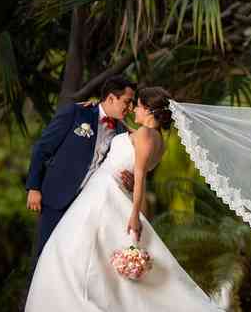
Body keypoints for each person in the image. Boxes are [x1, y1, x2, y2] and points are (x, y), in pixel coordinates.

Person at [25, 87, 223, 311]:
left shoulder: (146, 136)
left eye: (137, 105)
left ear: (148, 110)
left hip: (105, 195)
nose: (133, 109)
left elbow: (139, 178)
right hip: (105, 192)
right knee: (79, 257)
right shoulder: (154, 138)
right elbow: (131, 142)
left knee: (70, 255)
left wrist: (135, 215)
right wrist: (96, 106)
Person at [25, 75, 136, 264]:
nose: (131, 108)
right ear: (111, 98)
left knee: (73, 262)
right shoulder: (77, 113)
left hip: (87, 206)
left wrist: (131, 182)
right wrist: (34, 187)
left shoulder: (122, 133)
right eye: (127, 101)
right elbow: (42, 148)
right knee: (45, 256)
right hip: (56, 198)